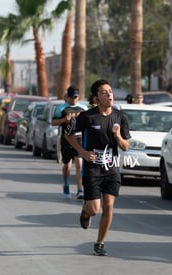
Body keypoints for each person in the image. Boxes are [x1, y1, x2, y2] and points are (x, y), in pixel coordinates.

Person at [65, 79, 131, 256]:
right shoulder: (87, 117)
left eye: (110, 91)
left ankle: (99, 243)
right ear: (96, 98)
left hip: (112, 167)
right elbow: (69, 135)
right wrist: (83, 152)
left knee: (109, 206)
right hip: (92, 168)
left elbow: (126, 146)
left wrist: (117, 137)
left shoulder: (120, 117)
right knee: (95, 209)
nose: (109, 94)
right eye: (104, 92)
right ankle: (86, 212)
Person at [52, 86, 88, 200]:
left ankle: (80, 190)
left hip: (79, 139)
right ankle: (66, 183)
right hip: (67, 139)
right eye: (72, 97)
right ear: (67, 97)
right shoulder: (61, 108)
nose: (74, 100)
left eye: (76, 97)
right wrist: (64, 120)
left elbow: (88, 122)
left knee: (79, 164)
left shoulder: (83, 107)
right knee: (67, 165)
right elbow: (53, 122)